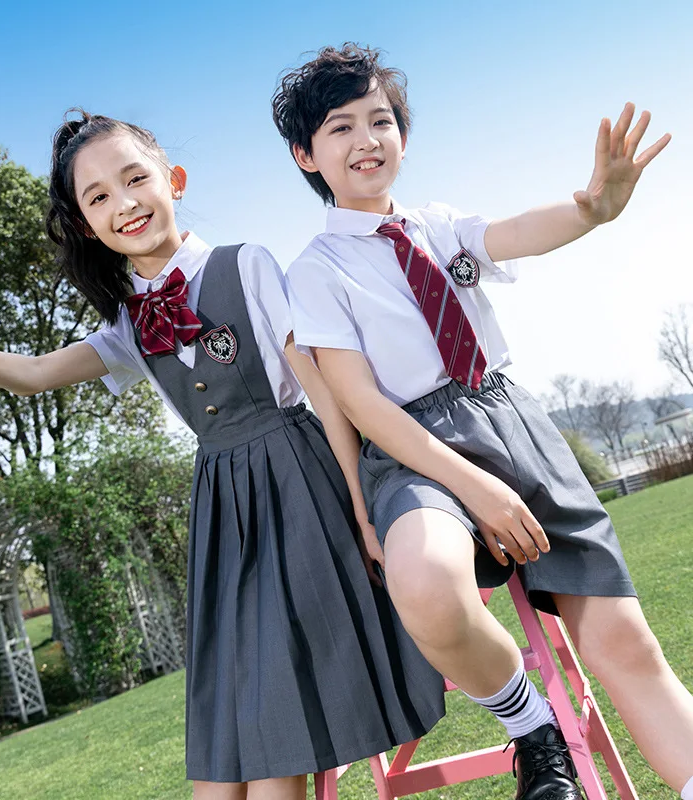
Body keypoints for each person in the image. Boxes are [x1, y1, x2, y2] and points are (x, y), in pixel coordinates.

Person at [0, 111, 449, 800]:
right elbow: (36, 372)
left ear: (173, 181)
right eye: (98, 197)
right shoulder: (130, 320)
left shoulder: (245, 264)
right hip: (224, 513)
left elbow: (324, 393)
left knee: (277, 740)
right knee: (218, 764)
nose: (123, 203)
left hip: (299, 490)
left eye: (135, 179)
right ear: (86, 225)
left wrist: (362, 512)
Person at [273, 43, 693, 800]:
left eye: (379, 121)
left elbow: (517, 232)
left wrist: (594, 208)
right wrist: (477, 490)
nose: (366, 140)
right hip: (411, 450)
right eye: (340, 128)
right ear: (306, 154)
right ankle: (532, 728)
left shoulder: (440, 227)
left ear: (403, 135)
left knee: (627, 642)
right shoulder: (316, 270)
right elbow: (363, 404)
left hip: (510, 421)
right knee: (427, 581)